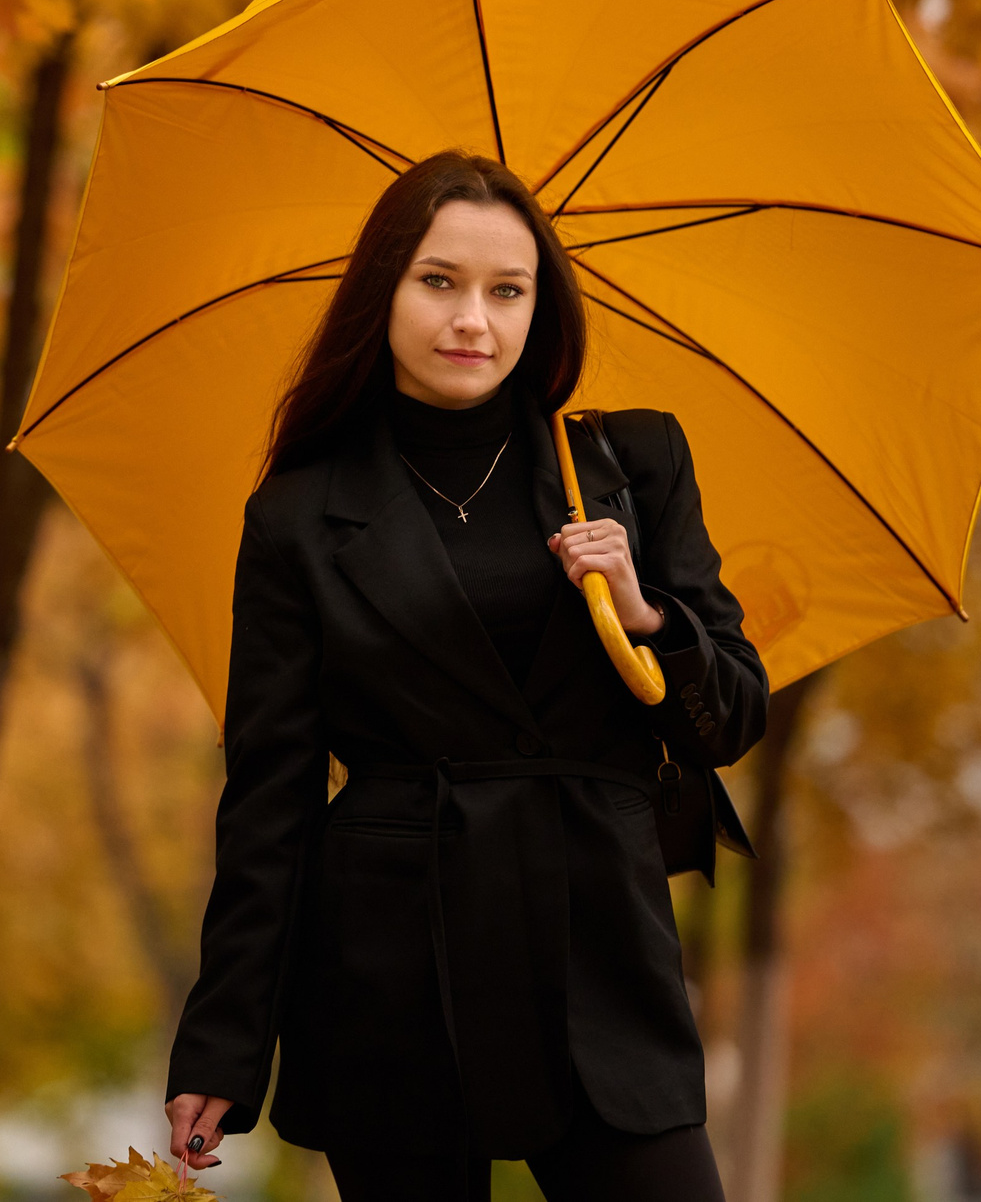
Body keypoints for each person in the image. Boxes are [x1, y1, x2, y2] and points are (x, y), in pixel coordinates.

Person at [161, 151, 768, 1202]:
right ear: (383, 289)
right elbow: (269, 793)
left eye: (506, 290)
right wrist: (222, 1045)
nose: (471, 321)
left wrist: (640, 610)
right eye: (438, 281)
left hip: (599, 958)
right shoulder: (301, 515)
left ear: (542, 306)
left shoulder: (629, 468)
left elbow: (733, 717)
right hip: (395, 972)